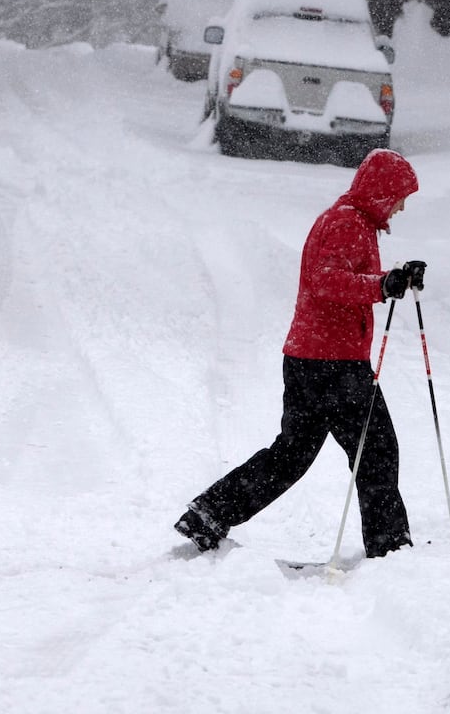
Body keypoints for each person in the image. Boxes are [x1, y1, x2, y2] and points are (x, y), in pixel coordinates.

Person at [175, 148, 425, 560]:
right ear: (382, 192)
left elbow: (342, 275)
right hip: (334, 364)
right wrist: (380, 286)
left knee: (291, 454)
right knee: (376, 449)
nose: (400, 207)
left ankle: (210, 513)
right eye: (399, 197)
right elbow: (325, 279)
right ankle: (390, 549)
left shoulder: (351, 221)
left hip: (311, 358)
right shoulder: (348, 222)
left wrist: (390, 279)